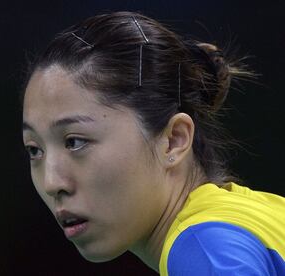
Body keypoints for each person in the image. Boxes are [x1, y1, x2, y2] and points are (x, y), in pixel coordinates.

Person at [20, 11, 285, 275]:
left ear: (173, 140)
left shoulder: (205, 251)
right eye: (35, 150)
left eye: (75, 141)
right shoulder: (265, 214)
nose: (51, 183)